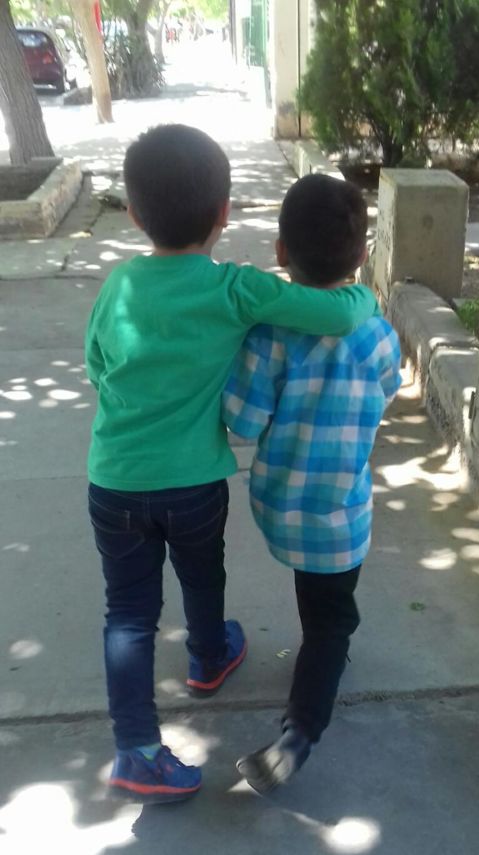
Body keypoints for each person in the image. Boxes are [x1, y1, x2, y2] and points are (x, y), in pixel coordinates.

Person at [84, 125, 378, 804]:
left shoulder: (118, 286)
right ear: (224, 213)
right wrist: (364, 296)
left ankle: (137, 749)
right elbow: (329, 312)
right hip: (192, 483)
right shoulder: (236, 289)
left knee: (127, 612)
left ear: (134, 214)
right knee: (201, 571)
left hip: (113, 479)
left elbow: (97, 366)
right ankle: (209, 655)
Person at [222, 173, 402, 794]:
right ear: (362, 255)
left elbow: (242, 422)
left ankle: (320, 655)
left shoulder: (269, 336)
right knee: (331, 620)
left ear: (280, 252)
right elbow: (385, 392)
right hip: (340, 512)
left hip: (281, 505)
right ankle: (299, 733)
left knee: (316, 593)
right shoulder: (378, 334)